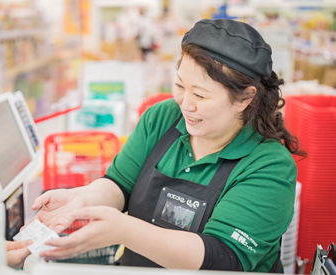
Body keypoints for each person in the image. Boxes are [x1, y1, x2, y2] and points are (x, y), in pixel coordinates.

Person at [31, 19, 305, 272]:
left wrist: (124, 230)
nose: (186, 104)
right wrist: (83, 199)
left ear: (245, 98)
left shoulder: (269, 165)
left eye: (200, 95)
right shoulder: (162, 118)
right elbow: (119, 184)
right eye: (180, 86)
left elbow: (222, 259)